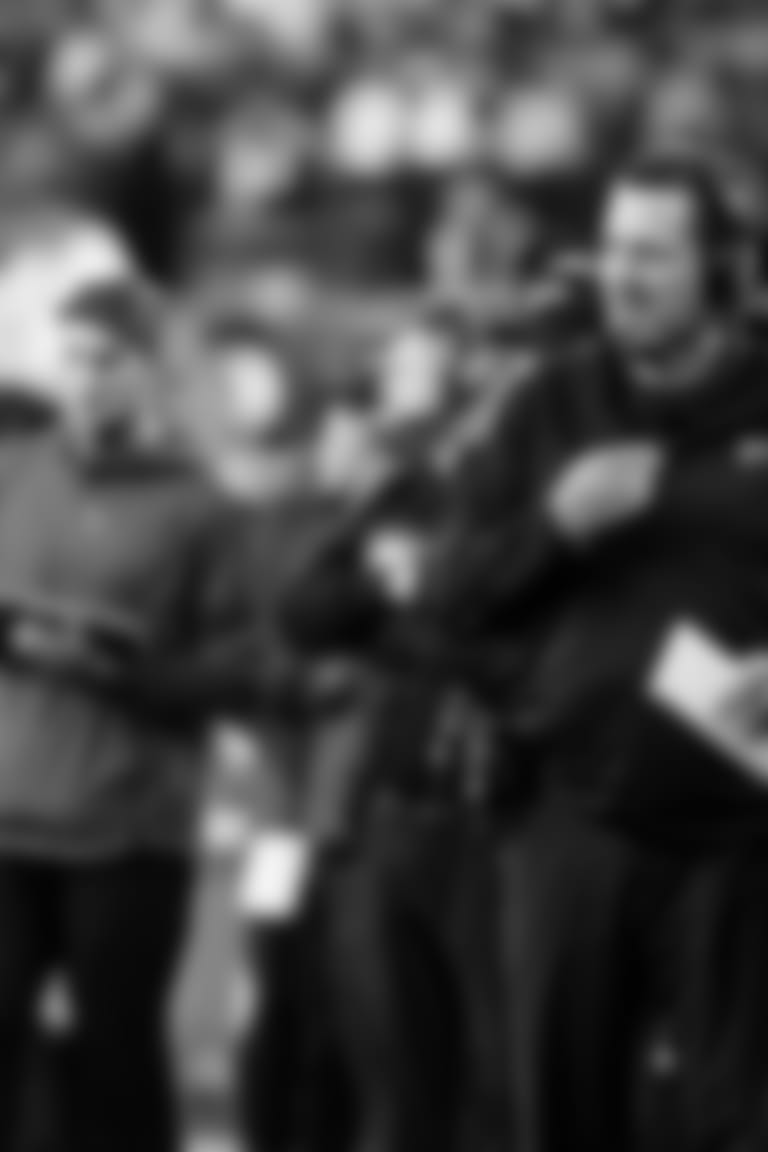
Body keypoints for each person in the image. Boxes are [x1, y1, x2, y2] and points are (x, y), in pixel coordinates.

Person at [423, 156, 768, 1152]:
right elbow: (444, 596)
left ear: (720, 270)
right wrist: (555, 526)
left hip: (741, 840)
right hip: (571, 826)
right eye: (613, 249)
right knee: (563, 1120)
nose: (624, 275)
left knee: (738, 1126)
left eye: (654, 253)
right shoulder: (546, 405)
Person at [0, 224, 266, 1152]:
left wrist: (131, 673)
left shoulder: (206, 508)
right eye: (71, 359)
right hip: (12, 812)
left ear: (151, 370)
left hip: (128, 831)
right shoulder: (15, 467)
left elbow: (247, 670)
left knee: (116, 1062)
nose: (84, 380)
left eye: (106, 361)